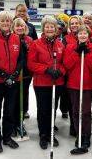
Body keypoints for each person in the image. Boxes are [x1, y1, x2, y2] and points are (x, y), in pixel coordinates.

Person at [0, 11, 24, 153]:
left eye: (8, 21)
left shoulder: (16, 38)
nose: (5, 24)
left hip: (12, 81)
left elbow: (21, 60)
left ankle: (7, 137)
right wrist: (4, 75)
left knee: (9, 111)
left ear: (11, 23)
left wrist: (13, 76)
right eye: (3, 21)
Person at [28, 16, 66, 150]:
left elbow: (64, 63)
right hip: (42, 83)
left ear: (56, 29)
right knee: (43, 110)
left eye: (52, 27)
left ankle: (50, 134)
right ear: (43, 28)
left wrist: (60, 71)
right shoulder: (36, 44)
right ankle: (43, 135)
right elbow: (31, 64)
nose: (49, 29)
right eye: (47, 26)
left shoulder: (60, 45)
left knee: (53, 110)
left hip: (57, 83)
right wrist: (46, 69)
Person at [63, 25, 92, 150]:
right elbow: (67, 65)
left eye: (85, 33)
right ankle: (79, 134)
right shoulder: (70, 47)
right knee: (76, 111)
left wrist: (87, 54)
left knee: (86, 111)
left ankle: (86, 135)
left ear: (89, 35)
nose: (82, 35)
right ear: (76, 35)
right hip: (73, 84)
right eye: (80, 33)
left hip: (88, 84)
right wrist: (77, 52)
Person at [11, 18, 34, 134]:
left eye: (22, 26)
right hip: (14, 74)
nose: (20, 28)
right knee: (13, 99)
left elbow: (32, 56)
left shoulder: (29, 39)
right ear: (13, 28)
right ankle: (13, 123)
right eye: (17, 26)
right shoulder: (11, 39)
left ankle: (20, 122)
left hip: (26, 74)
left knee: (23, 98)